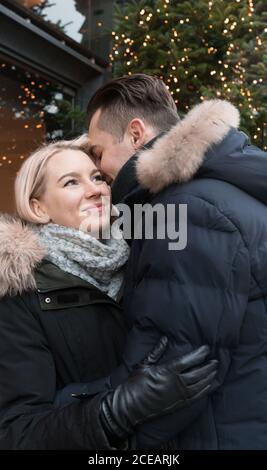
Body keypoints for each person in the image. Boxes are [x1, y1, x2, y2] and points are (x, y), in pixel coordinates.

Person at [0, 135, 217, 450]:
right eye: (71, 183)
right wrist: (114, 412)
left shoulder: (141, 261)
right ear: (38, 207)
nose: (95, 190)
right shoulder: (22, 295)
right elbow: (15, 432)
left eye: (97, 177)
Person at [86, 73, 267, 449]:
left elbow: (177, 373)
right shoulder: (218, 192)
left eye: (99, 152)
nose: (100, 171)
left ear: (136, 134)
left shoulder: (184, 210)